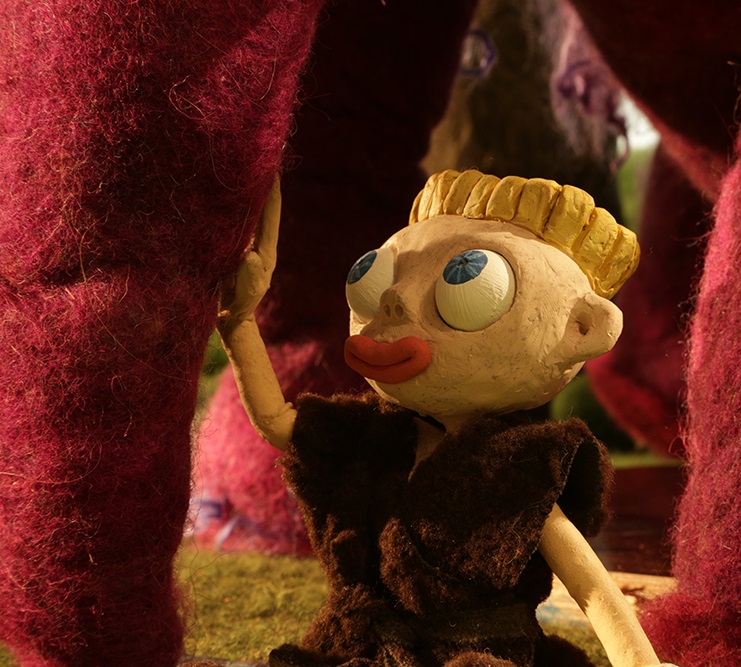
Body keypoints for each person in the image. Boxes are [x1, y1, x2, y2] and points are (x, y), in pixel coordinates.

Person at [217, 169, 671, 667]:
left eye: (469, 279)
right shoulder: (374, 437)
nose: (394, 299)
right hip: (355, 648)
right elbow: (279, 422)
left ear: (582, 328)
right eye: (375, 276)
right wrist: (239, 322)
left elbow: (591, 587)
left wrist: (639, 662)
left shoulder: (519, 469)